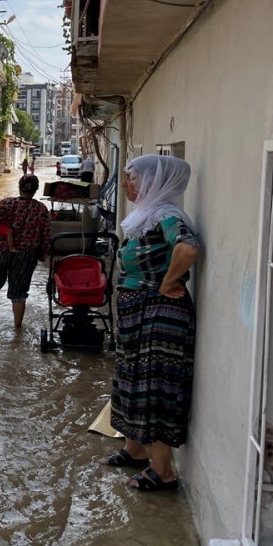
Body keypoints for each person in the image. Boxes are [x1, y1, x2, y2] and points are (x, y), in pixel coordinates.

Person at [97, 154, 200, 492]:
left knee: (155, 388)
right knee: (130, 379)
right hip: (137, 313)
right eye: (127, 177)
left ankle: (162, 472)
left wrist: (168, 282)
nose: (126, 184)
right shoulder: (145, 215)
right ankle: (135, 448)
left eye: (132, 178)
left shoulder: (168, 216)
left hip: (159, 315)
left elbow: (187, 248)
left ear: (153, 182)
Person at [0, 174, 51, 331]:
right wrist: (42, 254)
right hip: (25, 254)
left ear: (19, 187)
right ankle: (17, 330)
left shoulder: (7, 203)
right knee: (19, 292)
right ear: (36, 189)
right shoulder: (41, 209)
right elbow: (45, 236)